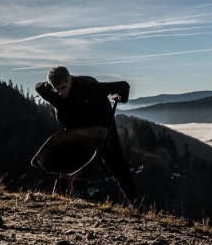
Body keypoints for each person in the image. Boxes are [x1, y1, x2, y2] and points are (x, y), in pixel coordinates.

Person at [35, 66, 138, 204]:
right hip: (77, 131)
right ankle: (59, 198)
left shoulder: (90, 87)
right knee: (67, 162)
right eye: (57, 89)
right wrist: (53, 89)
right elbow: (38, 86)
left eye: (64, 87)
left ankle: (136, 202)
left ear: (70, 79)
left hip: (102, 127)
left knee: (117, 163)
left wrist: (121, 98)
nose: (61, 92)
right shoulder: (51, 92)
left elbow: (123, 86)